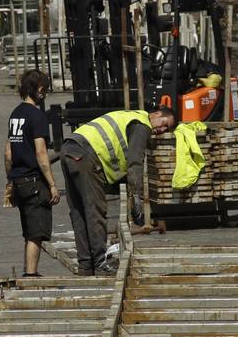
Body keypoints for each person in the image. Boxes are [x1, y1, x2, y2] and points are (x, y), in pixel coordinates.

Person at [61, 106, 176, 276]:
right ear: (157, 114)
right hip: (87, 154)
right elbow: (135, 162)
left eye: (167, 129)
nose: (162, 130)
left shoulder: (129, 116)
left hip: (69, 149)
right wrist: (135, 196)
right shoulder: (142, 124)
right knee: (95, 210)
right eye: (165, 124)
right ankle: (100, 263)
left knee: (78, 211)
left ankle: (85, 265)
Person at [4, 68, 60, 277]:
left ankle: (28, 270)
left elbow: (8, 152)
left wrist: (10, 178)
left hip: (19, 180)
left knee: (28, 231)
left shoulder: (15, 114)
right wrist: (53, 184)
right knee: (36, 232)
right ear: (38, 89)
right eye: (42, 89)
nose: (44, 93)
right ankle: (30, 275)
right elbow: (41, 152)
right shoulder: (37, 116)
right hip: (34, 181)